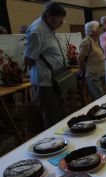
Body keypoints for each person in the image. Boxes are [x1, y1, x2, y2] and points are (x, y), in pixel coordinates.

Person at [24, 1, 67, 130]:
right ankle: (52, 145)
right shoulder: (37, 31)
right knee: (51, 117)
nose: (61, 24)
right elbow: (29, 59)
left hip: (56, 78)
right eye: (60, 21)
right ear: (49, 16)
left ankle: (62, 140)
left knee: (60, 113)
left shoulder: (49, 27)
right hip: (45, 82)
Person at [77, 21, 105, 100]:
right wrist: (83, 70)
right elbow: (80, 58)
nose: (99, 31)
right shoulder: (86, 41)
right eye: (97, 29)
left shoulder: (94, 41)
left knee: (101, 95)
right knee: (98, 97)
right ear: (93, 31)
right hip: (93, 74)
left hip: (99, 73)